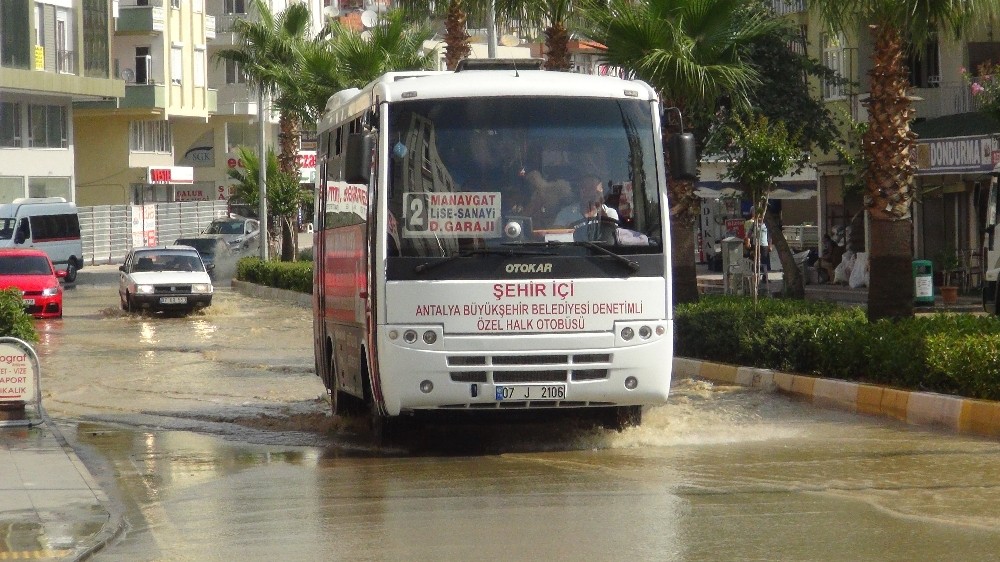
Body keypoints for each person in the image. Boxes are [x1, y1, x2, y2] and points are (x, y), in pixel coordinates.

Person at [554, 174, 619, 227]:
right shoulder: (566, 213)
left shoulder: (610, 213)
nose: (587, 192)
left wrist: (599, 205)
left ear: (600, 191)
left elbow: (610, 236)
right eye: (583, 188)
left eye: (591, 188)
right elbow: (555, 236)